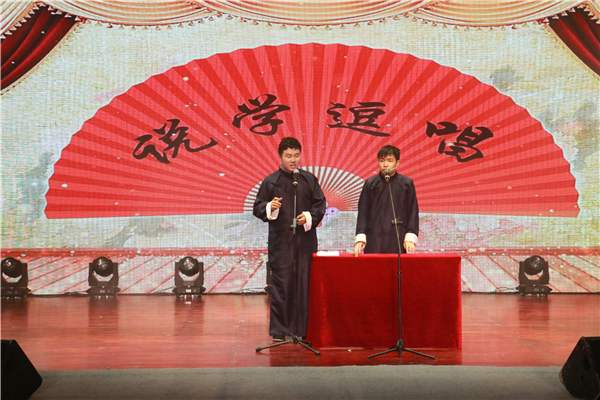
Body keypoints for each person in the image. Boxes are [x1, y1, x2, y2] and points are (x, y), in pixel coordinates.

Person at [253, 137, 326, 341]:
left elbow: (320, 205)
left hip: (305, 241)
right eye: (288, 156)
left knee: (305, 283)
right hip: (281, 241)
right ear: (280, 157)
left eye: (296, 155)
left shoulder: (309, 179)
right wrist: (270, 207)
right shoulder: (271, 181)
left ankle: (304, 329)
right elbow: (257, 207)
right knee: (282, 284)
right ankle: (280, 329)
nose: (293, 160)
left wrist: (308, 217)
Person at [354, 145, 419, 255]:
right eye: (382, 160)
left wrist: (410, 236)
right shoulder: (370, 183)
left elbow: (413, 211)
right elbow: (363, 212)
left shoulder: (406, 184)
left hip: (398, 236)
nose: (385, 164)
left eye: (390, 161)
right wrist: (361, 236)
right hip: (374, 236)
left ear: (397, 163)